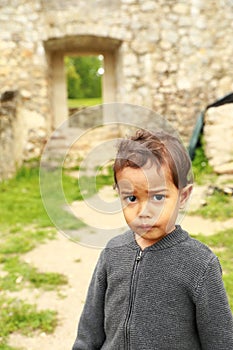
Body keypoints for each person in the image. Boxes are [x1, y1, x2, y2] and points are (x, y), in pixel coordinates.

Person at [72, 128, 233, 350]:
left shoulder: (200, 264)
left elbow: (220, 341)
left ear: (183, 196)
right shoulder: (112, 253)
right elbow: (89, 331)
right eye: (131, 198)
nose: (144, 211)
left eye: (158, 197)